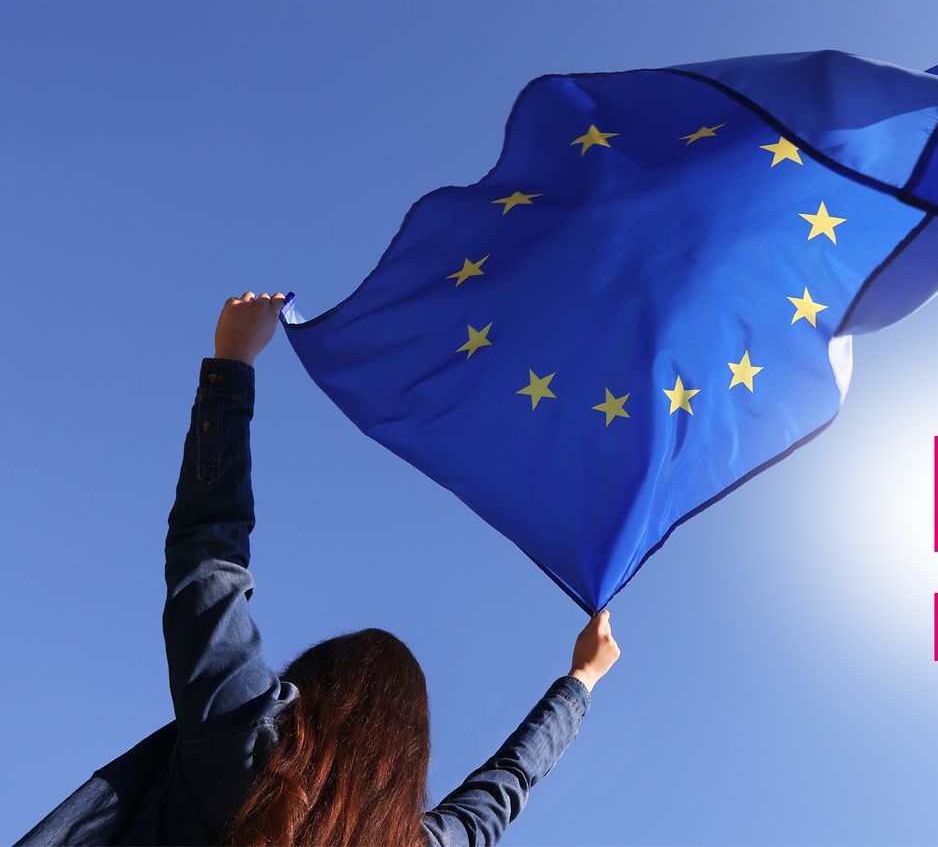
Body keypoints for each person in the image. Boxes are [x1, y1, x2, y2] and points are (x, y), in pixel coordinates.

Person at [19, 291, 620, 846]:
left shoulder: (243, 741)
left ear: (309, 689)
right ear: (411, 755)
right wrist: (581, 682)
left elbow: (208, 559)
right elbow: (505, 788)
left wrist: (232, 364)